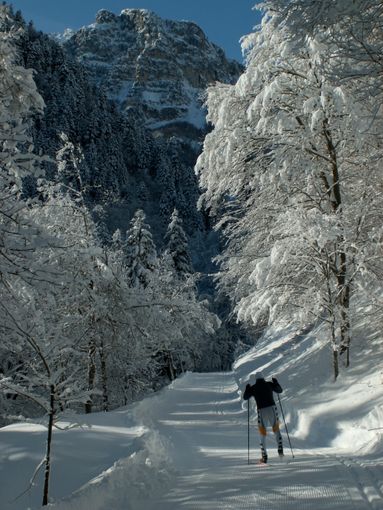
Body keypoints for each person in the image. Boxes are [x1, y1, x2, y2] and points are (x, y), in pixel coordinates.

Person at [243, 371, 283, 463]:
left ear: (256, 379)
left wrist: (247, 389)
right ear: (263, 378)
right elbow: (280, 390)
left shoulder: (253, 388)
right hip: (272, 409)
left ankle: (264, 455)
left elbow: (245, 397)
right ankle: (280, 448)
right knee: (276, 428)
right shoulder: (269, 384)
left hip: (261, 410)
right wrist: (275, 382)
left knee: (262, 432)